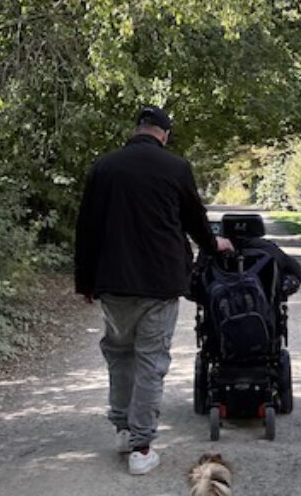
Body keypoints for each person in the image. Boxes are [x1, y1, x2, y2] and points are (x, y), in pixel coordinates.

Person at [74, 106, 234, 476]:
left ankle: (123, 428)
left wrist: (84, 281)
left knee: (119, 354)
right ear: (164, 134)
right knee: (150, 362)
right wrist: (215, 246)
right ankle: (141, 449)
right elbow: (195, 221)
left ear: (137, 130)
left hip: (113, 283)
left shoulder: (105, 167)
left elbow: (87, 228)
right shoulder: (175, 168)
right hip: (160, 283)